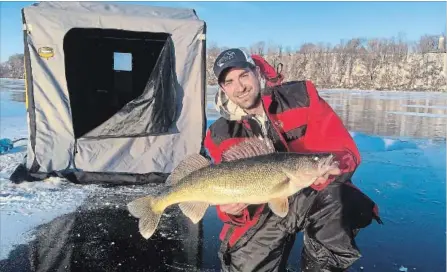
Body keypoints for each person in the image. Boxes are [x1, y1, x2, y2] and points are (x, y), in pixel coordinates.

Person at [203, 48, 382, 272]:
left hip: (311, 193)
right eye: (229, 81)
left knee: (339, 199)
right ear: (222, 88)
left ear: (256, 72)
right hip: (259, 211)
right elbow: (221, 187)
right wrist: (230, 210)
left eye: (243, 75)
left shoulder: (300, 96)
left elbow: (341, 149)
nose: (239, 87)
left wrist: (334, 166)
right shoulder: (219, 133)